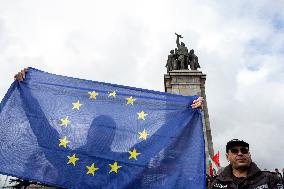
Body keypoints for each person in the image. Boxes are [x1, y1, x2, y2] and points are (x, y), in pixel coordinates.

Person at [14, 68, 204, 108]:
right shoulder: (73, 156)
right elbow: (44, 133)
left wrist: (188, 109)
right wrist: (28, 91)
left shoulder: (126, 161)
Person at [209, 139, 283, 189]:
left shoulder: (270, 179)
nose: (240, 153)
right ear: (227, 157)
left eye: (244, 151)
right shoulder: (216, 183)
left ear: (249, 155)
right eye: (234, 151)